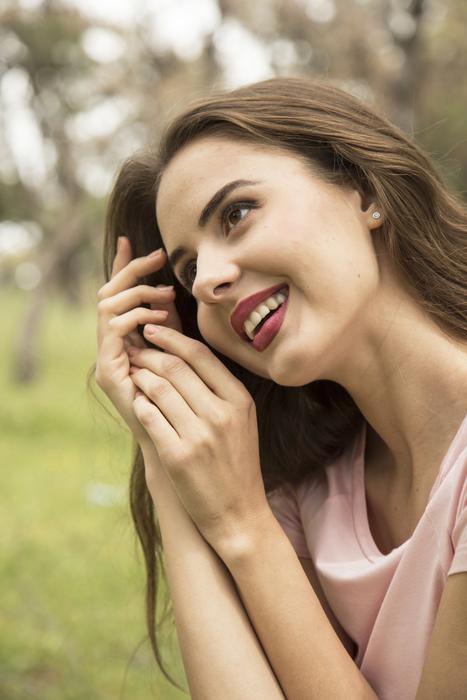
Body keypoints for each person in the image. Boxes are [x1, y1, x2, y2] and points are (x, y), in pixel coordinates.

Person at [95, 77, 467, 699]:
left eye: (236, 214)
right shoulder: (308, 494)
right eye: (187, 270)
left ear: (366, 191)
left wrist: (244, 526)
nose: (208, 279)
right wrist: (161, 447)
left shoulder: (264, 515)